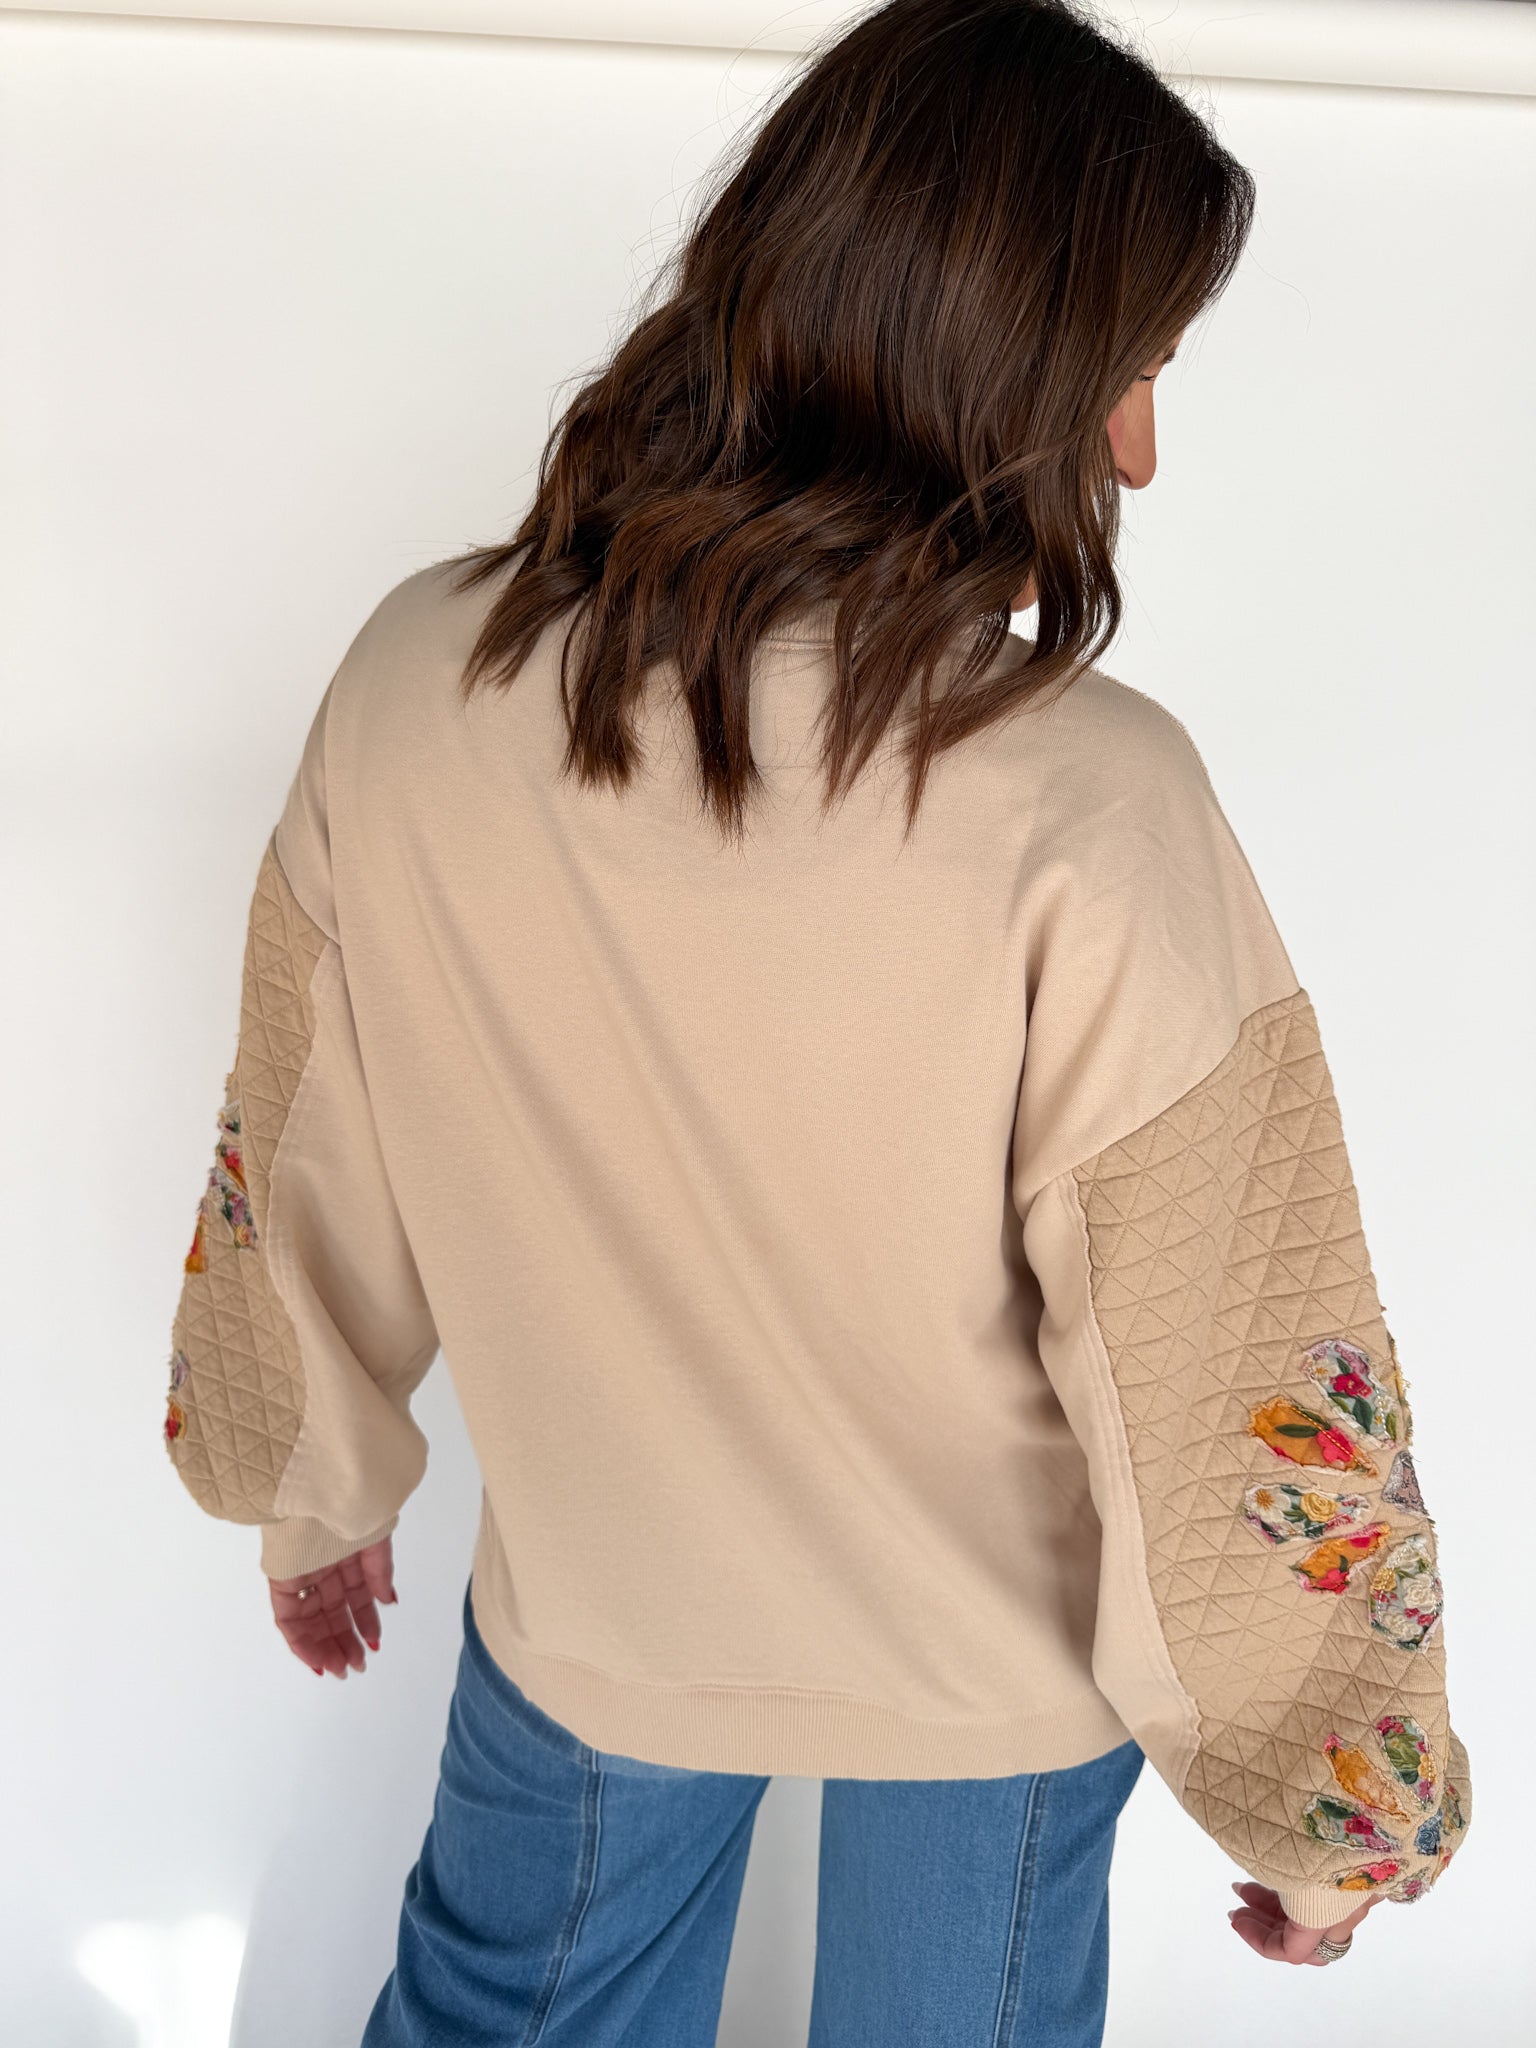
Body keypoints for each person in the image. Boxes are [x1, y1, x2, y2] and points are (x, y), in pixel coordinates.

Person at [160, 1, 1471, 2040]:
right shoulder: (1087, 797)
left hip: (600, 1603)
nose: (1139, 447)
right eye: (1128, 369)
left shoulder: (416, 683)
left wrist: (309, 1483)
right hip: (994, 1678)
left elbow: (304, 1135)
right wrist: (1331, 1812)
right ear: (983, 359)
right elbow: (1217, 1343)